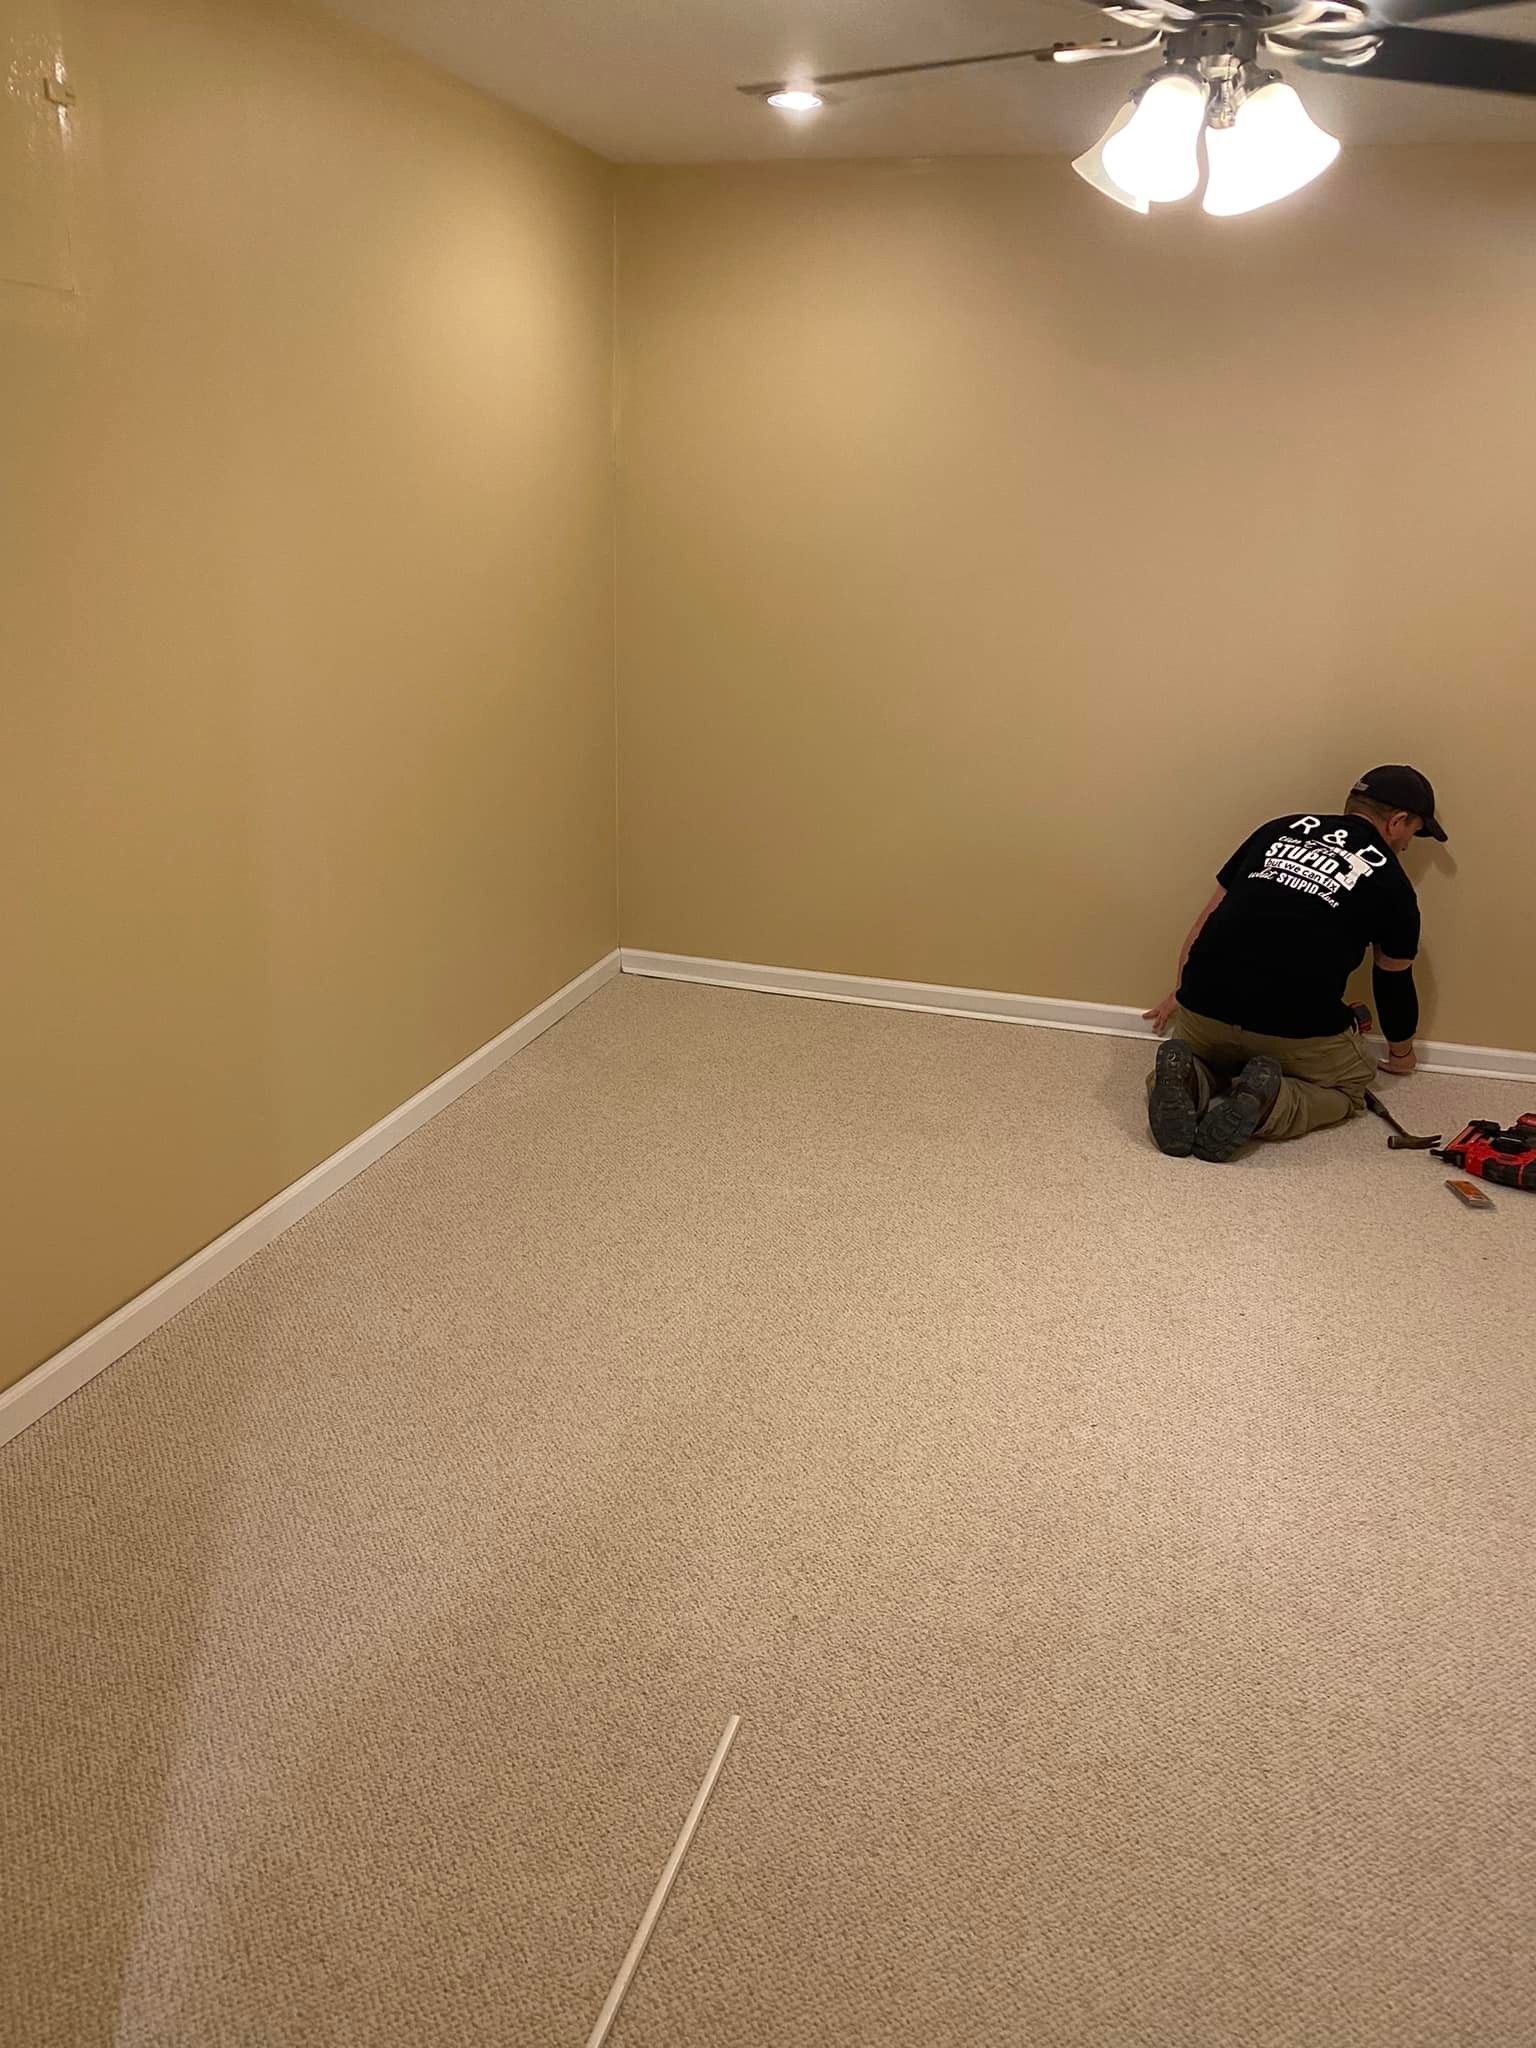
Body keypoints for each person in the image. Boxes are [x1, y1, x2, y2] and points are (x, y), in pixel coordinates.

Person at [1143, 765, 1446, 1163]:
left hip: (1203, 1007)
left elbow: (1209, 921)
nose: (1408, 844)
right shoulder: (1393, 883)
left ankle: (1193, 1080)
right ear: (1397, 821)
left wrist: (1182, 993)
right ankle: (1273, 1105)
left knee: (1211, 1053)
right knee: (1352, 1085)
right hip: (1293, 1030)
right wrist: (1402, 1054)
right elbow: (1392, 982)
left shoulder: (1276, 830)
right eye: (1414, 831)